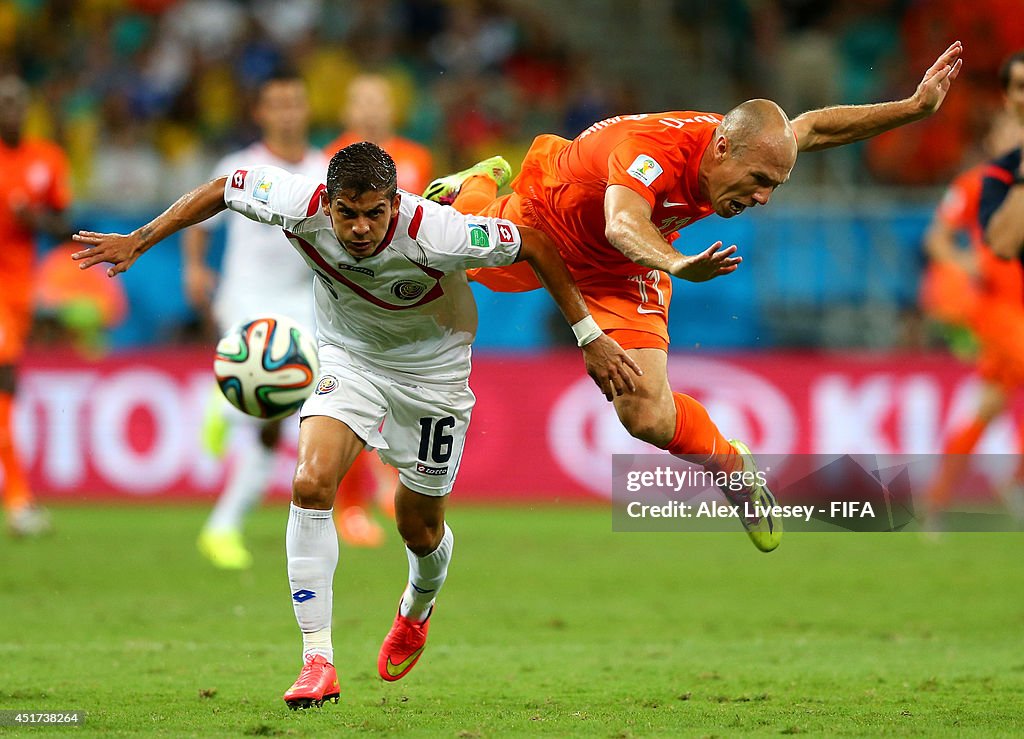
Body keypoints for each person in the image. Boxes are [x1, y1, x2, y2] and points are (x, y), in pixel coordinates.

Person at [71, 141, 640, 708]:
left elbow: (535, 243)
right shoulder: (299, 202)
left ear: (396, 203)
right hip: (350, 360)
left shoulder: (436, 232)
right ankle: (317, 661)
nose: (361, 228)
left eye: (375, 213)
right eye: (347, 213)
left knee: (417, 527)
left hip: (435, 376)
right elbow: (225, 189)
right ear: (329, 202)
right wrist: (139, 239)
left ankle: (417, 608)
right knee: (311, 483)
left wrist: (590, 337)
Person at [424, 41, 965, 553]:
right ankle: (483, 177)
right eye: (758, 180)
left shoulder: (752, 144)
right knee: (452, 248)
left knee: (647, 418)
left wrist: (912, 108)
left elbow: (813, 126)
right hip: (547, 221)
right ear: (722, 148)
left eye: (773, 185)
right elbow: (621, 221)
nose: (763, 197)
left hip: (621, 269)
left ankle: (733, 467)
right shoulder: (652, 150)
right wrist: (677, 262)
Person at [183, 69, 333, 569]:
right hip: (245, 298)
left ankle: (222, 527)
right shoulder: (240, 164)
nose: (288, 112)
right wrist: (194, 265)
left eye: (295, 102)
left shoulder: (323, 167)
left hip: (300, 300)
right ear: (261, 113)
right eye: (278, 104)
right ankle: (225, 399)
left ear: (306, 110)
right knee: (272, 403)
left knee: (276, 423)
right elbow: (199, 215)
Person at [323, 72, 437, 547]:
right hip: (352, 300)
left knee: (406, 401)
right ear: (347, 111)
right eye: (361, 102)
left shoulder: (415, 158)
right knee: (351, 404)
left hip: (409, 301)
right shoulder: (329, 160)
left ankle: (395, 481)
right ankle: (350, 508)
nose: (370, 111)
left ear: (393, 109)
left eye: (378, 101)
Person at [921, 89, 1024, 527]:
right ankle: (1014, 484)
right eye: (1011, 128)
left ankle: (935, 502)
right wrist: (967, 263)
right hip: (996, 308)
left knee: (989, 406)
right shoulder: (974, 185)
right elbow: (936, 240)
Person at [0, 74, 72, 537]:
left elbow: (63, 221)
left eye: (16, 102)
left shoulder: (47, 158)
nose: (11, 110)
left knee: (7, 389)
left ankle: (20, 497)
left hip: (20, 290)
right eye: (3, 103)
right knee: (4, 382)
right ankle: (20, 498)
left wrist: (33, 217)